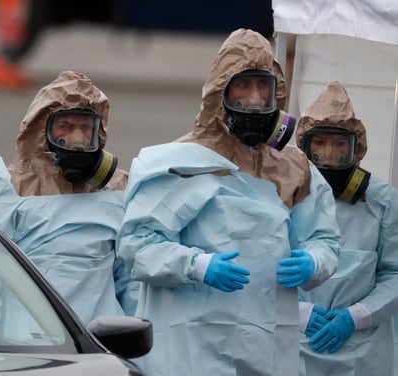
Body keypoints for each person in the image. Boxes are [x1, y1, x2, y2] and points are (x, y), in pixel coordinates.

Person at [116, 28, 340, 376]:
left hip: (267, 344)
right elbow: (136, 246)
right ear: (221, 93)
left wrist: (314, 260)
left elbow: (325, 240)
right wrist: (196, 265)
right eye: (242, 86)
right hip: (193, 345)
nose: (253, 99)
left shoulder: (295, 169)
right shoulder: (178, 162)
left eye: (262, 87)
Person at [0, 70, 137, 325]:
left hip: (98, 340)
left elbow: (131, 278)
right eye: (65, 127)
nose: (77, 140)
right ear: (42, 132)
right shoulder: (6, 188)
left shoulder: (117, 189)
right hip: (29, 335)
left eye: (86, 128)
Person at [295, 80, 398, 376]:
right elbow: (261, 270)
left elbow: (395, 274)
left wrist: (354, 317)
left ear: (357, 149)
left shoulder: (383, 202)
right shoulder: (284, 194)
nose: (328, 155)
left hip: (362, 354)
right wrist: (298, 313)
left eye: (339, 144)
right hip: (295, 345)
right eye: (319, 143)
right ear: (304, 145)